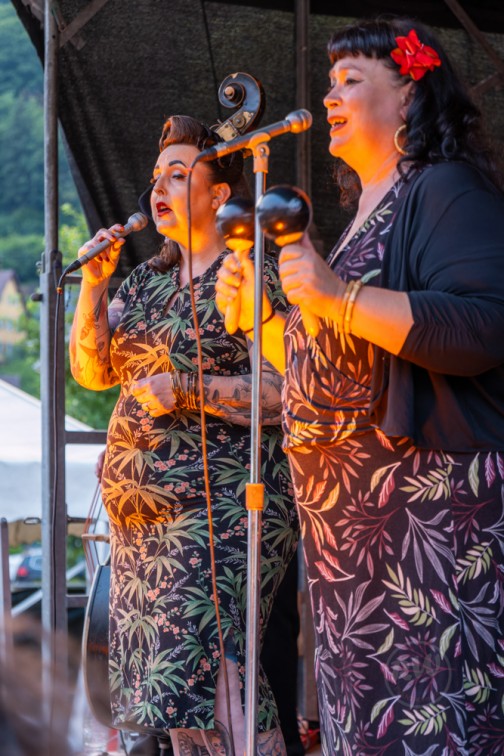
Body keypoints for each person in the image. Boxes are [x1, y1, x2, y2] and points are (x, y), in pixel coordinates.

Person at [216, 16, 504, 754]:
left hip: (427, 528)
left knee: (433, 727)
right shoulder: (362, 216)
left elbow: (483, 326)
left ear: (409, 96)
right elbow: (328, 363)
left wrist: (337, 296)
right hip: (351, 545)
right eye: (329, 82)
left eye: (351, 80)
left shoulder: (444, 188)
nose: (330, 96)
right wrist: (260, 322)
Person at [69, 114, 299, 755]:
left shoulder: (250, 272)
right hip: (141, 525)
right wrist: (94, 283)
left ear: (219, 194)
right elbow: (91, 370)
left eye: (177, 174)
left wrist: (192, 389)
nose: (158, 189)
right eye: (155, 178)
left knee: (218, 674)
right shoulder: (143, 281)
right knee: (170, 693)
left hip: (219, 509)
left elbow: (288, 389)